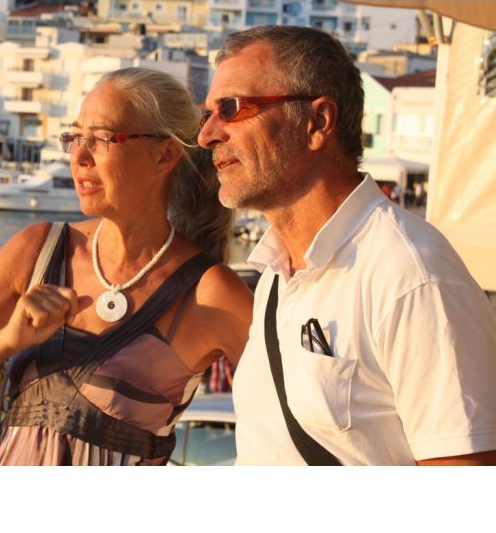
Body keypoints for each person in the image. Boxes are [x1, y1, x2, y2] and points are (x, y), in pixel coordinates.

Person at [0, 67, 253, 466]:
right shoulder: (38, 251)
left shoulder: (209, 293)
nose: (79, 157)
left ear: (165, 154)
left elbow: (288, 424)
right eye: (74, 137)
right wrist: (3, 342)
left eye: (102, 139)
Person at [197, 25, 496, 466]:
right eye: (207, 114)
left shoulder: (411, 275)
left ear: (318, 122)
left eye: (231, 108)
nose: (207, 135)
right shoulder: (275, 275)